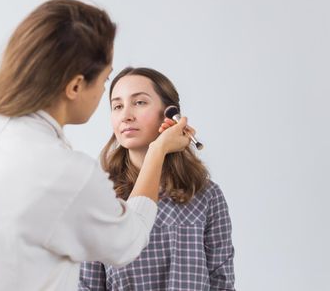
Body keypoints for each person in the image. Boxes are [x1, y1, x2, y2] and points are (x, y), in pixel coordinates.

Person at [0, 0, 193, 291]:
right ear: (75, 86)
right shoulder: (66, 172)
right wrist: (158, 151)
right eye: (104, 80)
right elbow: (129, 238)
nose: (106, 94)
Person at [79, 67, 236, 290]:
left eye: (139, 102)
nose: (126, 115)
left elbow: (222, 283)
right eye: (117, 106)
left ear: (170, 114)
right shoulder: (98, 197)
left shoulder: (206, 195)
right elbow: (88, 286)